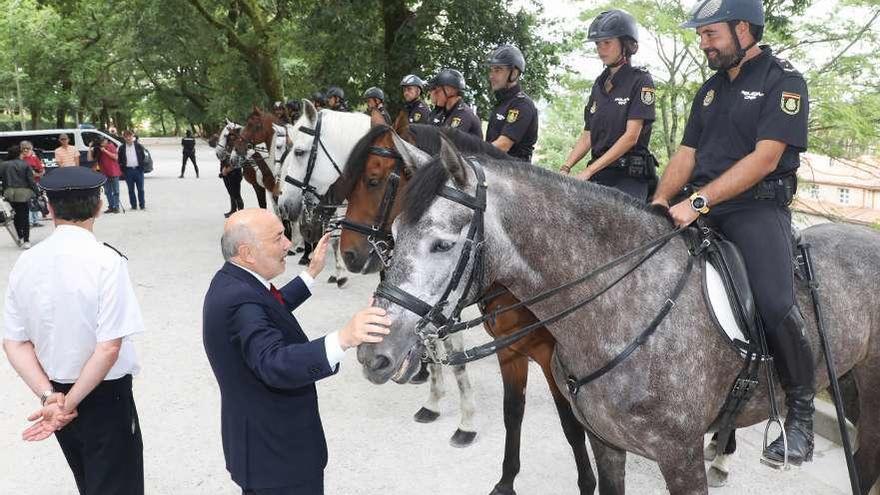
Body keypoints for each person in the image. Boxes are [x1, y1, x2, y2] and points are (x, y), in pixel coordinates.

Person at [651, 0, 814, 467]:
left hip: (754, 210)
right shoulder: (710, 89)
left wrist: (697, 202)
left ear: (744, 29)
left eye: (711, 35)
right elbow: (686, 155)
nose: (704, 44)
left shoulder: (783, 81)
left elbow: (765, 158)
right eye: (701, 36)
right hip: (699, 205)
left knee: (773, 302)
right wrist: (661, 201)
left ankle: (798, 414)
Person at [202, 209, 391, 495]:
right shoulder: (241, 303)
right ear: (247, 252)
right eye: (278, 237)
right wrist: (344, 338)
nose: (289, 244)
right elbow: (274, 363)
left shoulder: (233, 281)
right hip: (279, 459)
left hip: (259, 449)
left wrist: (310, 275)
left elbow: (269, 310)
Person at [2, 166, 145, 494]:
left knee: (88, 482)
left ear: (49, 208)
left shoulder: (26, 262)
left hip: (56, 392)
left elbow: (15, 342)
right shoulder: (106, 261)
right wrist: (68, 403)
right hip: (104, 394)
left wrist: (51, 397)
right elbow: (109, 347)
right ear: (99, 205)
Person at [561, 9, 657, 202]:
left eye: (607, 42)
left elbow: (631, 137)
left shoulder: (641, 80)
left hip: (629, 176)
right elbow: (588, 135)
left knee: (625, 224)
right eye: (598, 43)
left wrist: (588, 171)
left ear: (627, 45)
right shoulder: (598, 84)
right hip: (599, 172)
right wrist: (566, 167)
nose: (600, 49)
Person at [485, 44, 539, 162]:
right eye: (492, 70)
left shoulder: (522, 104)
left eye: (498, 70)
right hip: (498, 169)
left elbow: (503, 145)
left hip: (516, 175)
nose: (491, 76)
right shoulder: (503, 102)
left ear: (514, 73)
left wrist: (475, 153)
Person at [0, 145, 38, 248]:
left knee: (15, 215)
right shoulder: (25, 164)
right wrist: (37, 192)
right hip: (23, 192)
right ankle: (26, 240)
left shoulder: (3, 165)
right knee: (24, 216)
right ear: (19, 154)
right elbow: (31, 181)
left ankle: (20, 237)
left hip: (9, 192)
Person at [430, 69, 483, 138]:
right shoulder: (443, 112)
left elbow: (447, 143)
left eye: (437, 90)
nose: (434, 94)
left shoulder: (464, 115)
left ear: (449, 91)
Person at [88, 137, 121, 213]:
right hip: (104, 173)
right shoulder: (97, 149)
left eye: (104, 141)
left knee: (116, 191)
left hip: (114, 172)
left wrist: (105, 151)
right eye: (101, 141)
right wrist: (90, 148)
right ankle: (111, 207)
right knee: (107, 191)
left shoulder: (111, 146)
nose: (103, 142)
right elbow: (90, 159)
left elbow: (115, 157)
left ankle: (116, 207)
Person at [117, 130, 147, 211]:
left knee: (140, 189)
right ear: (124, 138)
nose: (128, 138)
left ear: (132, 136)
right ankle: (133, 206)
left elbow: (143, 156)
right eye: (126, 136)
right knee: (131, 189)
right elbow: (119, 160)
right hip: (128, 171)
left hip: (138, 170)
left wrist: (141, 166)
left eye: (130, 136)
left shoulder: (138, 146)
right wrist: (123, 170)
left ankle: (142, 205)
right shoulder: (122, 148)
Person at [20, 140, 46, 226]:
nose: (26, 150)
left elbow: (42, 170)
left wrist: (38, 173)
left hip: (35, 183)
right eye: (24, 148)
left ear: (31, 149)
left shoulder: (34, 158)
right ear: (21, 150)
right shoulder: (20, 159)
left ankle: (35, 221)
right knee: (27, 203)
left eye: (28, 148)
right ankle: (29, 221)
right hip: (25, 184)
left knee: (35, 202)